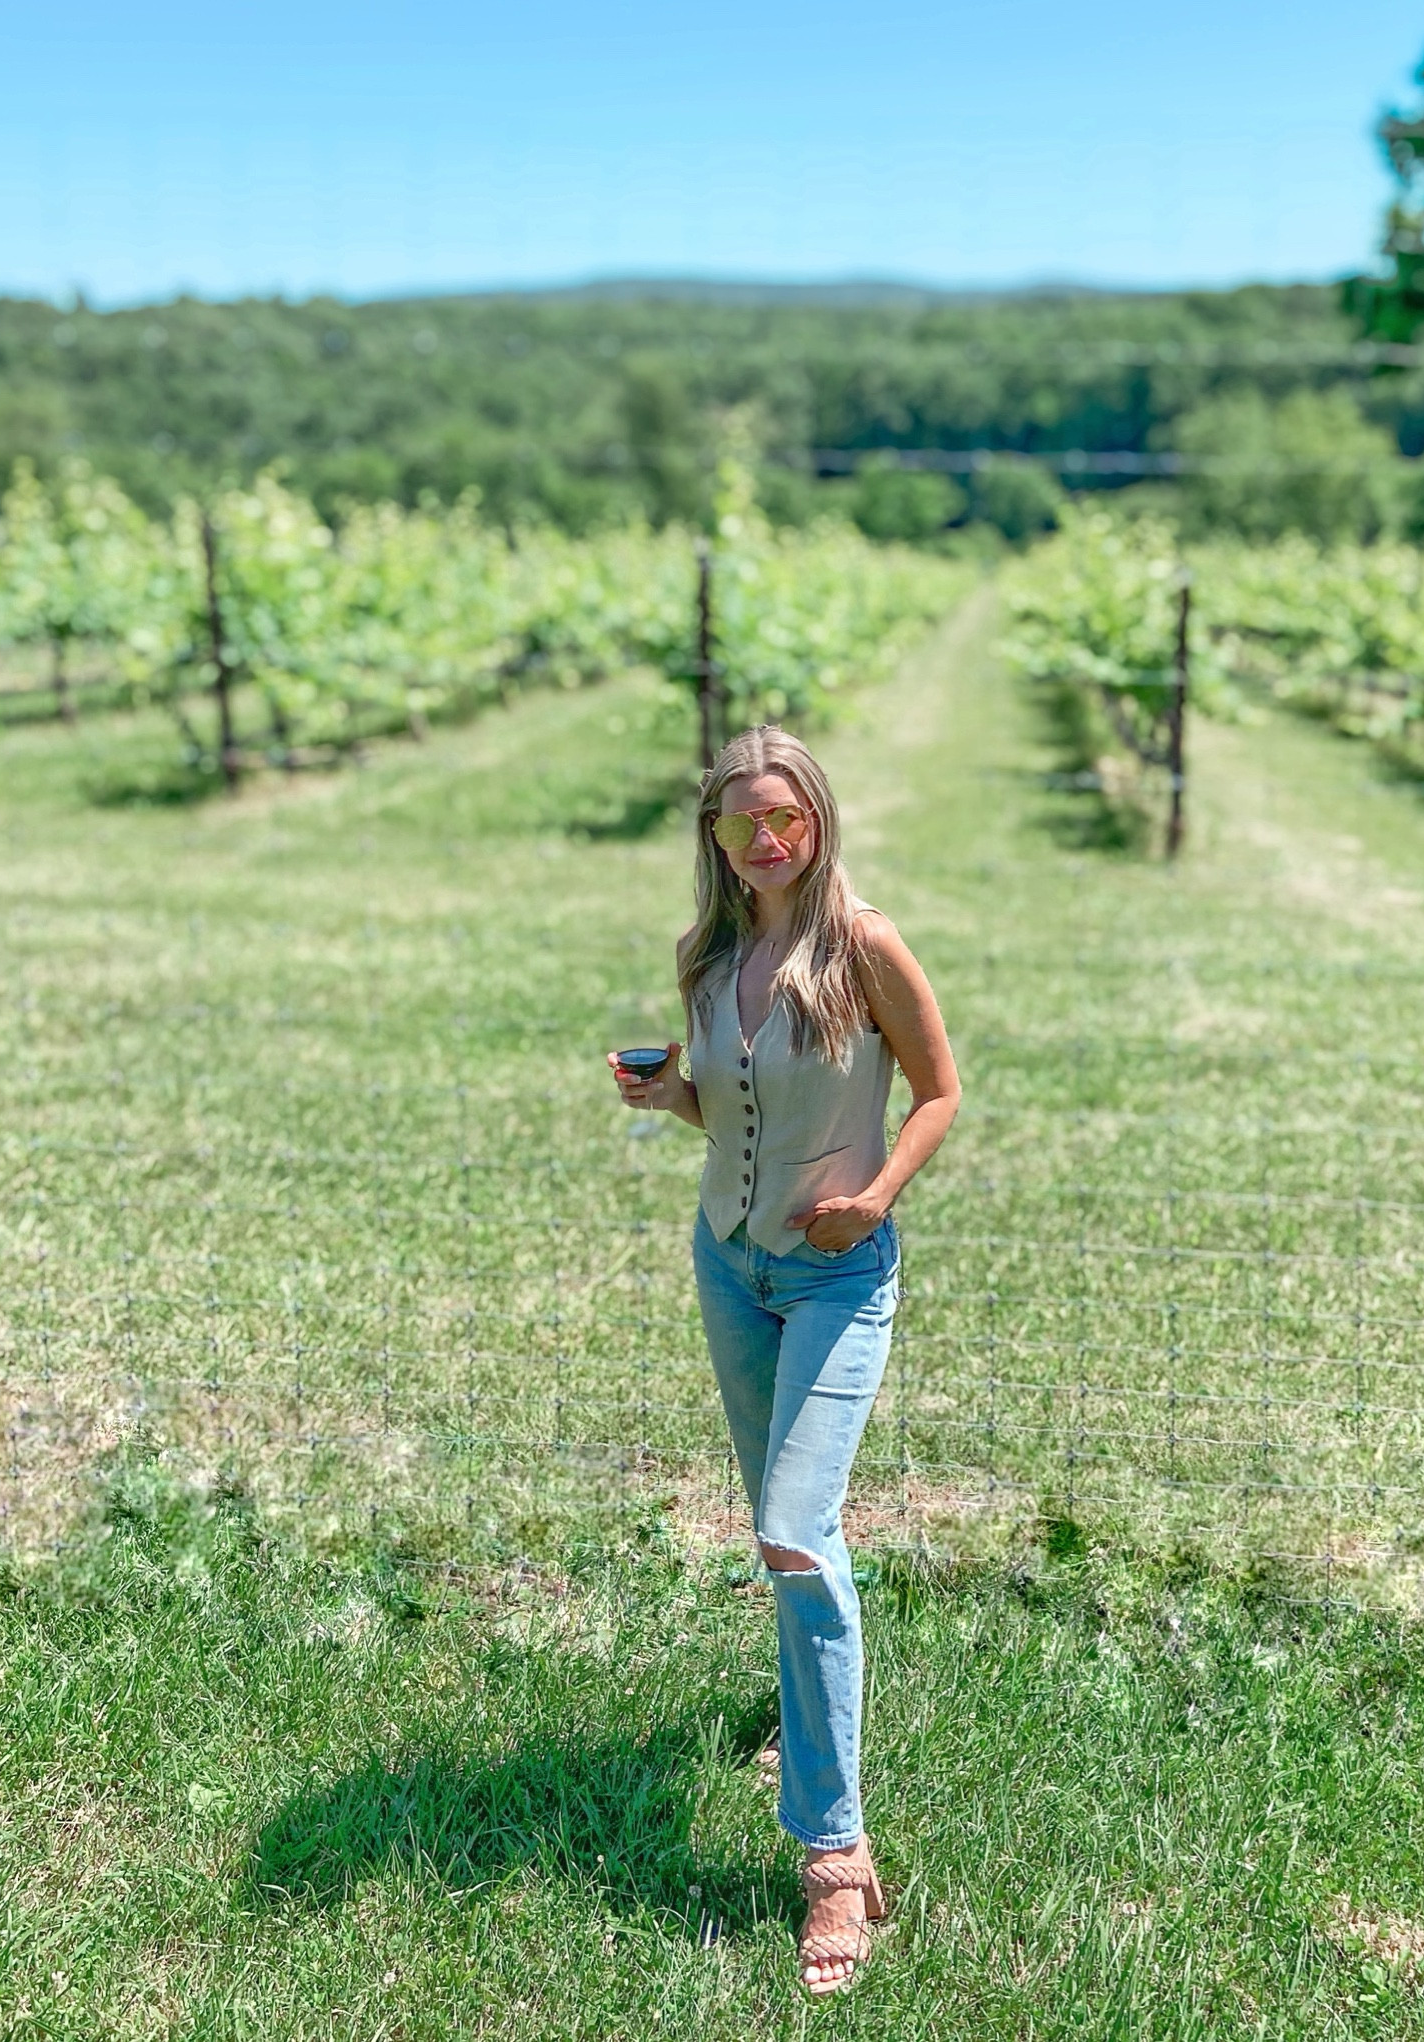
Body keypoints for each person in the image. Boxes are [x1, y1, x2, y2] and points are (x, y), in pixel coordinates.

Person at [607, 724, 961, 1995]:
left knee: (796, 1535)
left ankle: (832, 1854)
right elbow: (729, 1099)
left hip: (832, 1275)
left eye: (788, 814)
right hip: (729, 1262)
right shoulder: (710, 954)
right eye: (744, 819)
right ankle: (810, 1723)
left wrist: (873, 1197)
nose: (769, 837)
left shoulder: (862, 946)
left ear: (817, 818)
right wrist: (668, 1095)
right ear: (714, 835)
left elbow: (937, 1090)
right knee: (788, 1539)